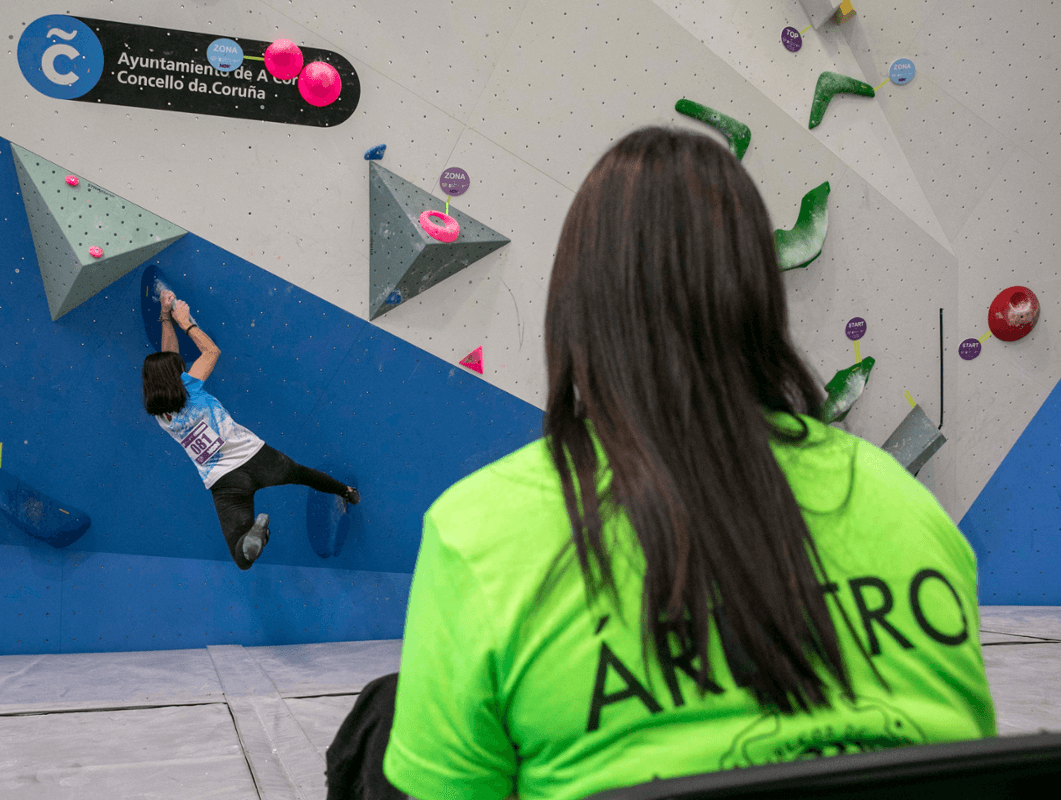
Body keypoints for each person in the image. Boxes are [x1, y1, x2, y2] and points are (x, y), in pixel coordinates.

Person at [382, 128, 995, 800]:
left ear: (578, 301)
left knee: (383, 720)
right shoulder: (906, 508)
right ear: (761, 296)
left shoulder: (478, 533)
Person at [142, 291, 359, 570]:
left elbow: (167, 356)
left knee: (241, 556)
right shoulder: (191, 388)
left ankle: (258, 537)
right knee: (302, 474)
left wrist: (164, 316)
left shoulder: (162, 417)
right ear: (177, 377)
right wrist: (184, 322)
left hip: (224, 482)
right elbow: (211, 352)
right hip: (258, 458)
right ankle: (348, 492)